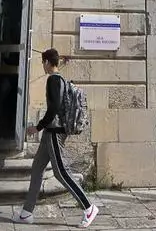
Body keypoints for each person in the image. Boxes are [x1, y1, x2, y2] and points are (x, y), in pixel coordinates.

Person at [16, 48, 98, 227]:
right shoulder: (60, 79)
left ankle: (88, 207)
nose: (43, 66)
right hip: (51, 132)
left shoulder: (53, 80)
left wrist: (37, 127)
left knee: (60, 172)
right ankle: (26, 213)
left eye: (43, 62)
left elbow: (53, 108)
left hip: (55, 132)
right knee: (37, 167)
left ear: (47, 62)